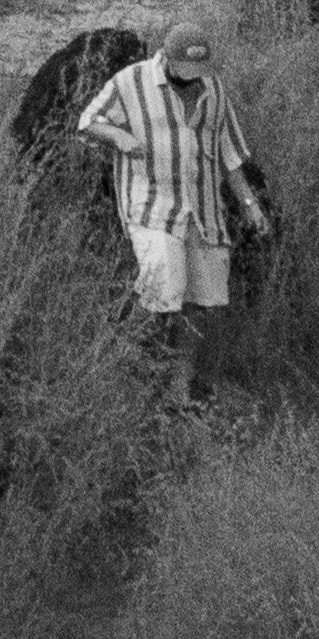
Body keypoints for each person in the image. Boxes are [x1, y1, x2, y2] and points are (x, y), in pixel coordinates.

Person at [72, 29, 270, 388]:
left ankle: (178, 390)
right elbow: (88, 122)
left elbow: (230, 156)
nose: (195, 79)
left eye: (200, 70)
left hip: (203, 212)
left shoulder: (214, 91)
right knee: (162, 291)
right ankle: (126, 374)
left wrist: (249, 204)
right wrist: (120, 137)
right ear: (168, 59)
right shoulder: (130, 82)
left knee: (203, 302)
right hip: (152, 207)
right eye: (187, 70)